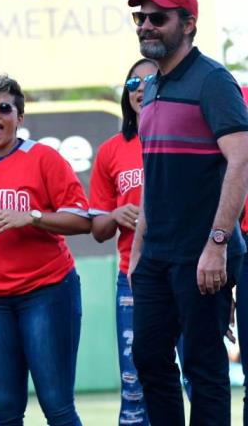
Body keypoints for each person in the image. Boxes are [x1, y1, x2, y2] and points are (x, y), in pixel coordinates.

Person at [126, 0, 248, 425]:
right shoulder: (152, 87)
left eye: (158, 18)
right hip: (157, 254)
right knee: (149, 360)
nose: (146, 27)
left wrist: (216, 244)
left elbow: (242, 163)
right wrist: (139, 251)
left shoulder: (213, 80)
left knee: (204, 368)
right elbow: (154, 177)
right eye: (141, 19)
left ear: (189, 24)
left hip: (203, 254)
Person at [0, 74, 91, 426]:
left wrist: (33, 217)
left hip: (46, 292)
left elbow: (82, 219)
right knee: (5, 412)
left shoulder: (43, 158)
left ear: (19, 118)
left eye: (4, 107)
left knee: (57, 405)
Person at [89, 58, 160, 425]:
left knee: (195, 378)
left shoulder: (184, 139)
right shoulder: (111, 151)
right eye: (133, 80)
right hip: (132, 277)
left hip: (183, 272)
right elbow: (98, 229)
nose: (140, 88)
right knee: (134, 385)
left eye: (151, 80)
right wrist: (115, 215)